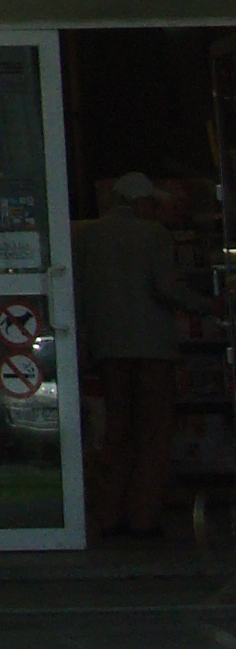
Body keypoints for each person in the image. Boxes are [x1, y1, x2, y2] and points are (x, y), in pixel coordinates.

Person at [73, 171, 214, 539]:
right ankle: (144, 517)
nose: (156, 209)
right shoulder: (154, 235)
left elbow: (79, 292)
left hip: (108, 347)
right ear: (140, 203)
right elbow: (166, 288)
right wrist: (208, 305)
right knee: (152, 432)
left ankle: (109, 514)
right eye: (153, 203)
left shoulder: (86, 237)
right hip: (152, 347)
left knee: (116, 429)